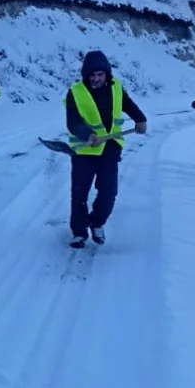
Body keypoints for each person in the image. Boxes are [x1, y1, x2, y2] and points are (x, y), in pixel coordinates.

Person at [64, 51, 147, 249]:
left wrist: (140, 118)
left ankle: (97, 222)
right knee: (79, 193)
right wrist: (87, 134)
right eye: (92, 75)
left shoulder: (116, 87)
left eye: (100, 74)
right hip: (84, 150)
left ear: (106, 74)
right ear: (86, 75)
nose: (96, 79)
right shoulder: (75, 92)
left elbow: (128, 104)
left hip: (110, 148)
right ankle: (79, 232)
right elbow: (73, 121)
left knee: (109, 192)